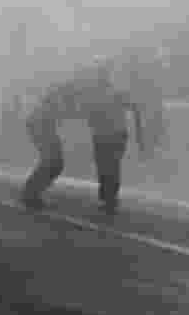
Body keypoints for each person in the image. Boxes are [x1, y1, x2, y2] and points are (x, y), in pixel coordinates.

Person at [19, 59, 144, 216]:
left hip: (106, 134)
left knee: (99, 165)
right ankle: (30, 193)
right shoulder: (76, 92)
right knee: (56, 162)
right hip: (42, 125)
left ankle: (31, 193)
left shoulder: (104, 93)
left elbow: (79, 112)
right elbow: (76, 111)